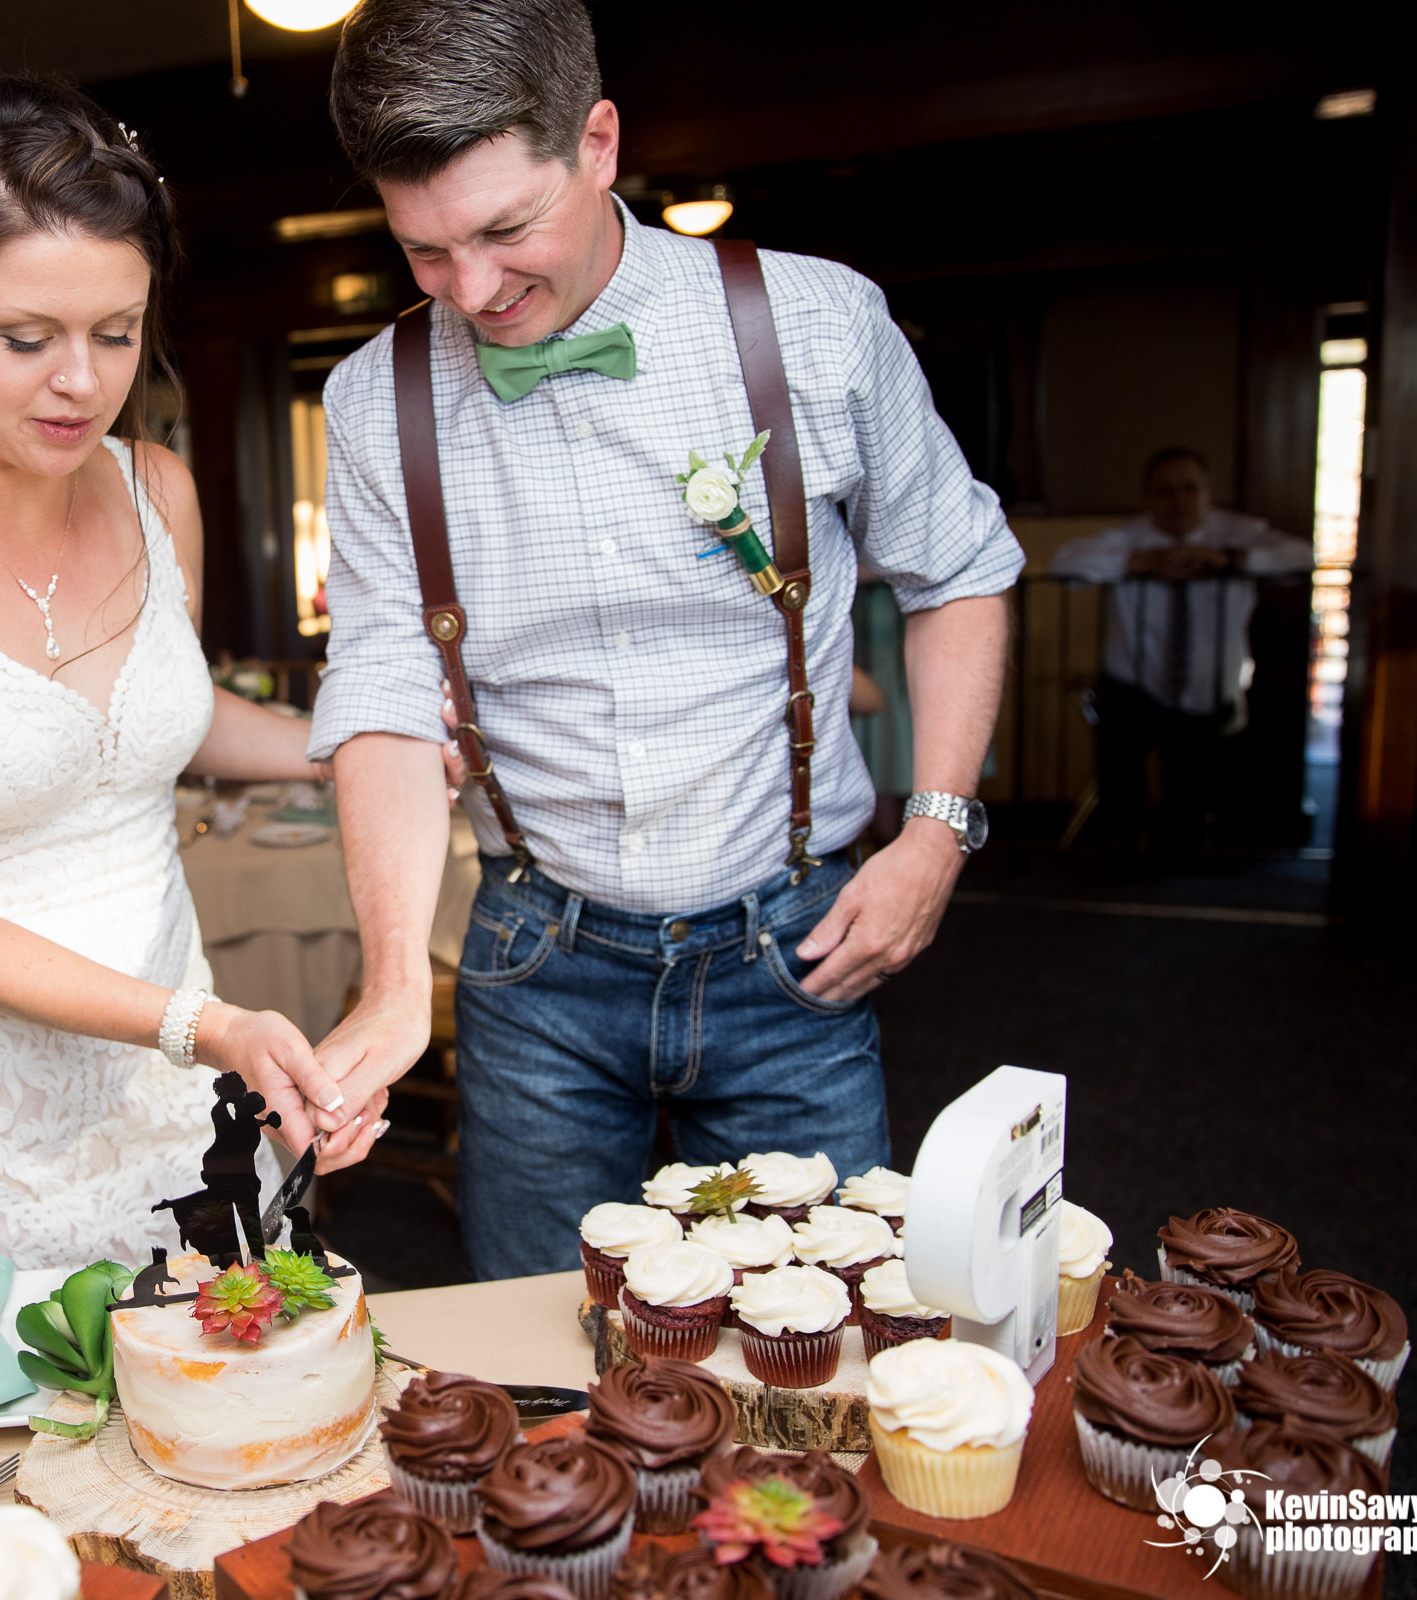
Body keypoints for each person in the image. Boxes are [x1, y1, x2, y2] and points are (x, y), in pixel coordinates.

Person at [307, 0, 1023, 1281]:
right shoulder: (373, 402)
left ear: (599, 142)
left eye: (504, 230)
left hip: (794, 948)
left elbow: (958, 570)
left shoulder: (814, 326)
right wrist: (388, 975)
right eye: (424, 252)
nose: (473, 293)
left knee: (819, 1345)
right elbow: (383, 693)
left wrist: (935, 831)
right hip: (537, 966)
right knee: (540, 1362)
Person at [0, 76, 401, 1276]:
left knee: (227, 1381)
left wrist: (368, 739)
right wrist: (202, 1027)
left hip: (175, 1063)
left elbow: (162, 718)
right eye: (25, 338)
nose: (81, 382)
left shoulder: (161, 491)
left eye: (116, 332)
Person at [1050, 447, 1312, 849]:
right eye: (1166, 491)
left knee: (1191, 794)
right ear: (1148, 497)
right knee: (1121, 784)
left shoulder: (1235, 532)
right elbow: (1064, 564)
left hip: (1206, 689)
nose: (1178, 501)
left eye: (1190, 489)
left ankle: (1183, 861)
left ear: (1208, 492)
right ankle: (1121, 858)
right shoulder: (1131, 537)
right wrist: (1140, 562)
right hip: (1134, 682)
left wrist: (1230, 559)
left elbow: (1303, 557)